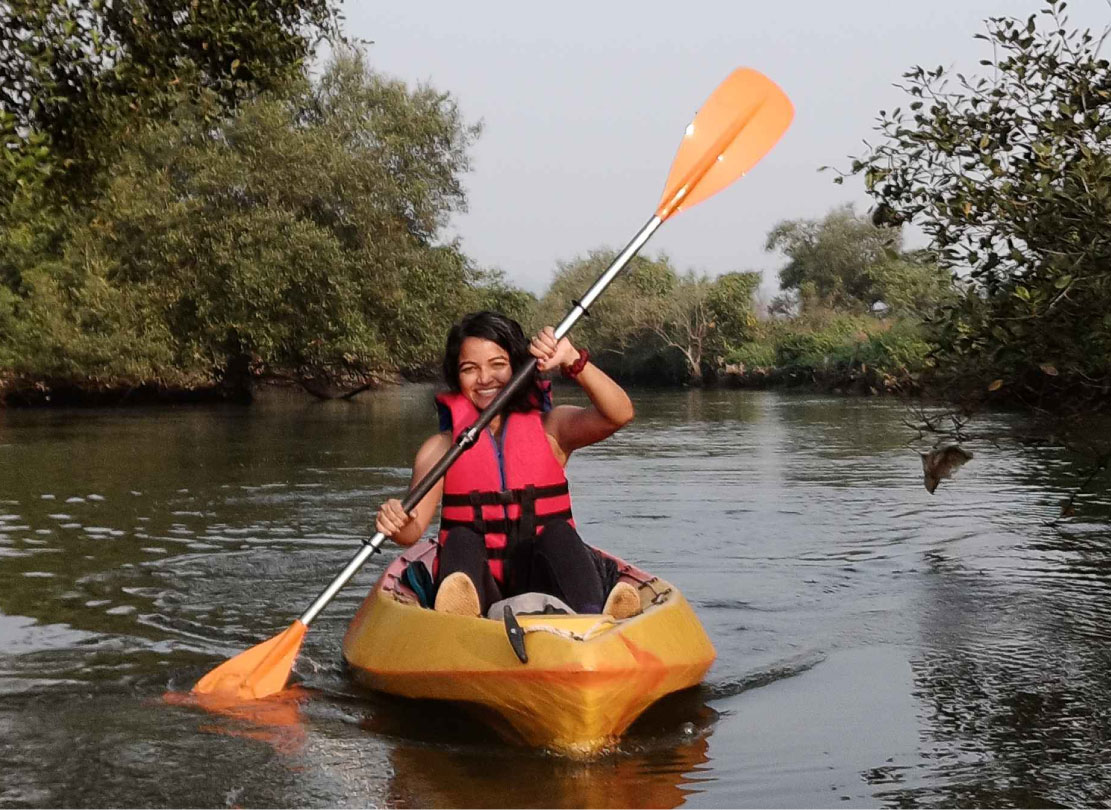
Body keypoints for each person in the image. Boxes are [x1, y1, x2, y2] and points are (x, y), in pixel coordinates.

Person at [374, 310, 641, 619]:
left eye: (498, 365)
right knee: (461, 538)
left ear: (518, 366)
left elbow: (619, 413)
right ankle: (459, 616)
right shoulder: (440, 448)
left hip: (545, 583)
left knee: (559, 534)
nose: (485, 378)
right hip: (482, 588)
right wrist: (396, 520)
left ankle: (593, 615)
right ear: (456, 377)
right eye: (469, 369)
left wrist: (571, 359)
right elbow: (412, 531)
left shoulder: (551, 428)